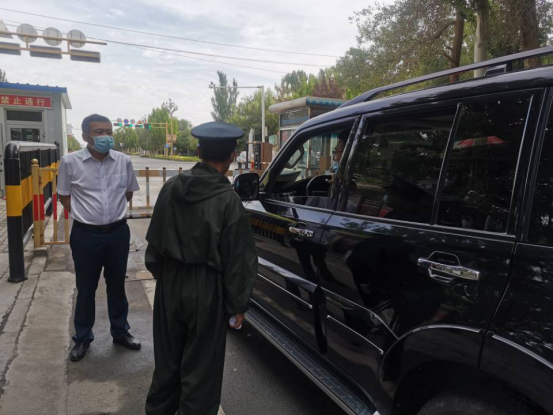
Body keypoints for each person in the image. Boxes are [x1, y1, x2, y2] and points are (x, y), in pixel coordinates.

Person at [144, 121, 258, 415]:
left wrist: (166, 278)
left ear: (198, 152)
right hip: (207, 290)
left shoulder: (170, 188)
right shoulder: (229, 201)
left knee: (167, 363)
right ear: (232, 156)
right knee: (201, 372)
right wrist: (237, 306)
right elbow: (238, 260)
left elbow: (153, 246)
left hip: (169, 282)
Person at [57, 114, 141, 362]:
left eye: (108, 131)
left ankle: (121, 332)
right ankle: (83, 337)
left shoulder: (123, 161)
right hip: (86, 235)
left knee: (117, 285)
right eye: (99, 132)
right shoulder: (70, 162)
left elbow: (128, 193)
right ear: (85, 136)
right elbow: (64, 195)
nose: (105, 136)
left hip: (117, 233)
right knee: (86, 287)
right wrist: (83, 215)